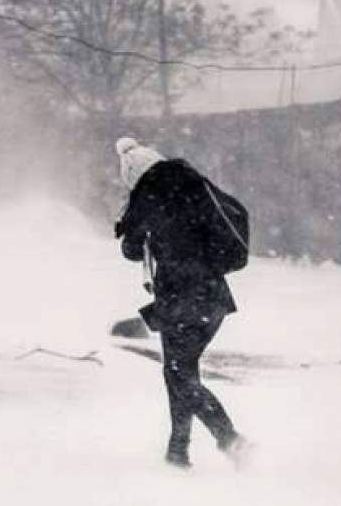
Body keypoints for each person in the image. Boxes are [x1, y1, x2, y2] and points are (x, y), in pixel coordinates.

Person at [113, 137, 250, 469]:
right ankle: (178, 452)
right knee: (180, 372)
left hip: (179, 297)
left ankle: (230, 439)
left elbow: (130, 250)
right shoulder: (193, 184)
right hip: (212, 295)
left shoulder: (147, 196)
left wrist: (131, 223)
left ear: (133, 174)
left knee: (180, 375)